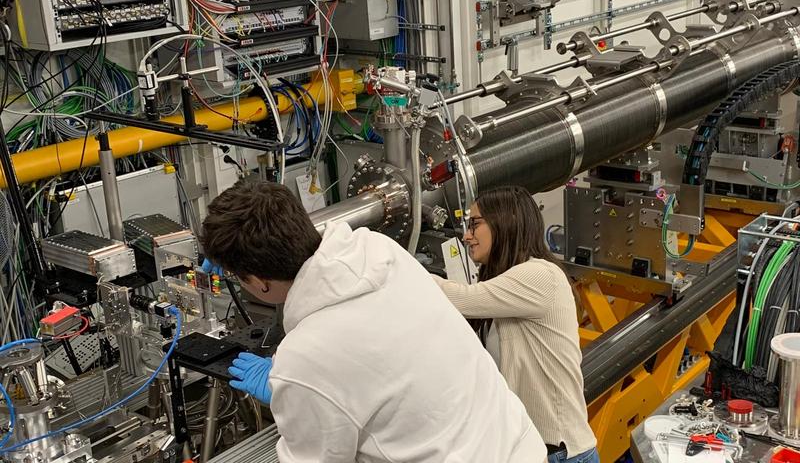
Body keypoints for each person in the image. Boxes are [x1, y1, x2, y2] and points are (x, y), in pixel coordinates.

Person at [201, 179, 546, 463]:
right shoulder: (379, 250)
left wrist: (293, 384)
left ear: (258, 281)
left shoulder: (304, 358)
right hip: (518, 446)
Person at [433, 185, 598, 463]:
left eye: (475, 224)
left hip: (561, 454)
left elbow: (464, 298)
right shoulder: (507, 285)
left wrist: (400, 266)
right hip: (531, 450)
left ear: (505, 222)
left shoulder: (540, 274)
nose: (466, 236)